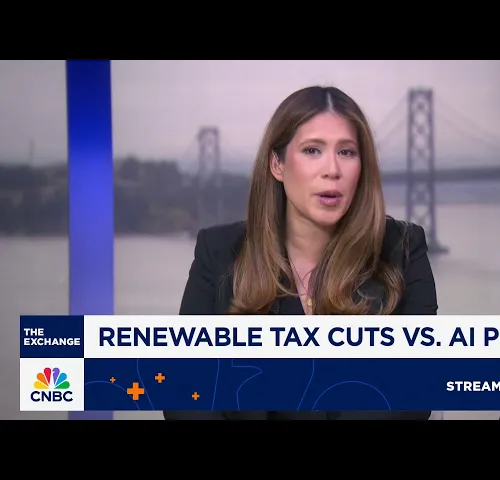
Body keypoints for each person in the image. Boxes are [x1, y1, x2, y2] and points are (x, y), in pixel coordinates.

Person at [164, 85, 438, 420]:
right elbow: (185, 398)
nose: (332, 169)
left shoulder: (403, 250)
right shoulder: (218, 252)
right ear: (277, 164)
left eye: (347, 152)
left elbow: (412, 392)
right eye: (312, 150)